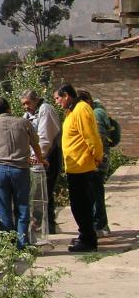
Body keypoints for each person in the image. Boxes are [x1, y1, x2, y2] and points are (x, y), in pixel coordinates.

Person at [0, 97, 46, 249]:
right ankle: (22, 244)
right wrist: (41, 160)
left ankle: (8, 246)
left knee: (3, 208)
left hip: (0, 170)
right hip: (20, 170)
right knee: (22, 207)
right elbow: (35, 144)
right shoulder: (23, 122)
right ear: (9, 108)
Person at [54, 84, 104, 253]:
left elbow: (91, 137)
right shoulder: (71, 111)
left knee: (82, 206)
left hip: (83, 167)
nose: (57, 102)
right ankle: (85, 234)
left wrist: (97, 157)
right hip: (75, 167)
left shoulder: (81, 109)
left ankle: (89, 240)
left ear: (66, 95)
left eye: (58, 98)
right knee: (79, 206)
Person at [21, 90, 62, 232]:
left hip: (48, 156)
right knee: (44, 193)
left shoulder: (45, 110)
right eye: (23, 104)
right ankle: (48, 225)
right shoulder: (28, 114)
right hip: (37, 158)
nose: (25, 106)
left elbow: (45, 138)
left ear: (36, 100)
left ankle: (40, 225)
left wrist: (38, 157)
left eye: (28, 103)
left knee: (42, 192)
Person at [79, 91, 112, 236]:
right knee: (94, 192)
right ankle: (100, 225)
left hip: (97, 160)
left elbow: (98, 138)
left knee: (95, 193)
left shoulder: (96, 113)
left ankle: (99, 225)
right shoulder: (96, 111)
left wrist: (95, 157)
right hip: (97, 159)